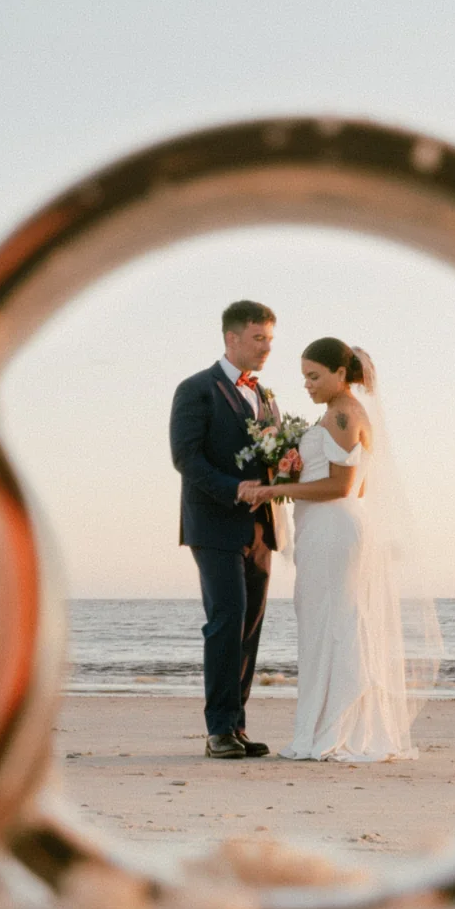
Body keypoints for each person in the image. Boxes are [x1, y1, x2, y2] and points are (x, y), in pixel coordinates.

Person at [243, 338, 435, 761]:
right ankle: (326, 725)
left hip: (334, 530)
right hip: (321, 527)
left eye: (314, 376)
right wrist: (297, 468)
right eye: (304, 377)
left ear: (340, 374)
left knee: (336, 624)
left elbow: (346, 487)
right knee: (320, 621)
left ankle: (340, 728)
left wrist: (276, 487)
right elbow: (353, 481)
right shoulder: (333, 414)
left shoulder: (346, 414)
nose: (307, 385)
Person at [168, 300, 280, 759]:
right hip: (213, 523)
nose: (266, 348)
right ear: (231, 339)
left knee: (249, 627)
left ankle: (236, 726)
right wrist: (236, 490)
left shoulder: (267, 396)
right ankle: (217, 730)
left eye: (271, 339)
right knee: (225, 621)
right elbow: (186, 458)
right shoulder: (196, 389)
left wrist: (285, 466)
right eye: (258, 338)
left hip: (260, 529)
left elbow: (270, 456)